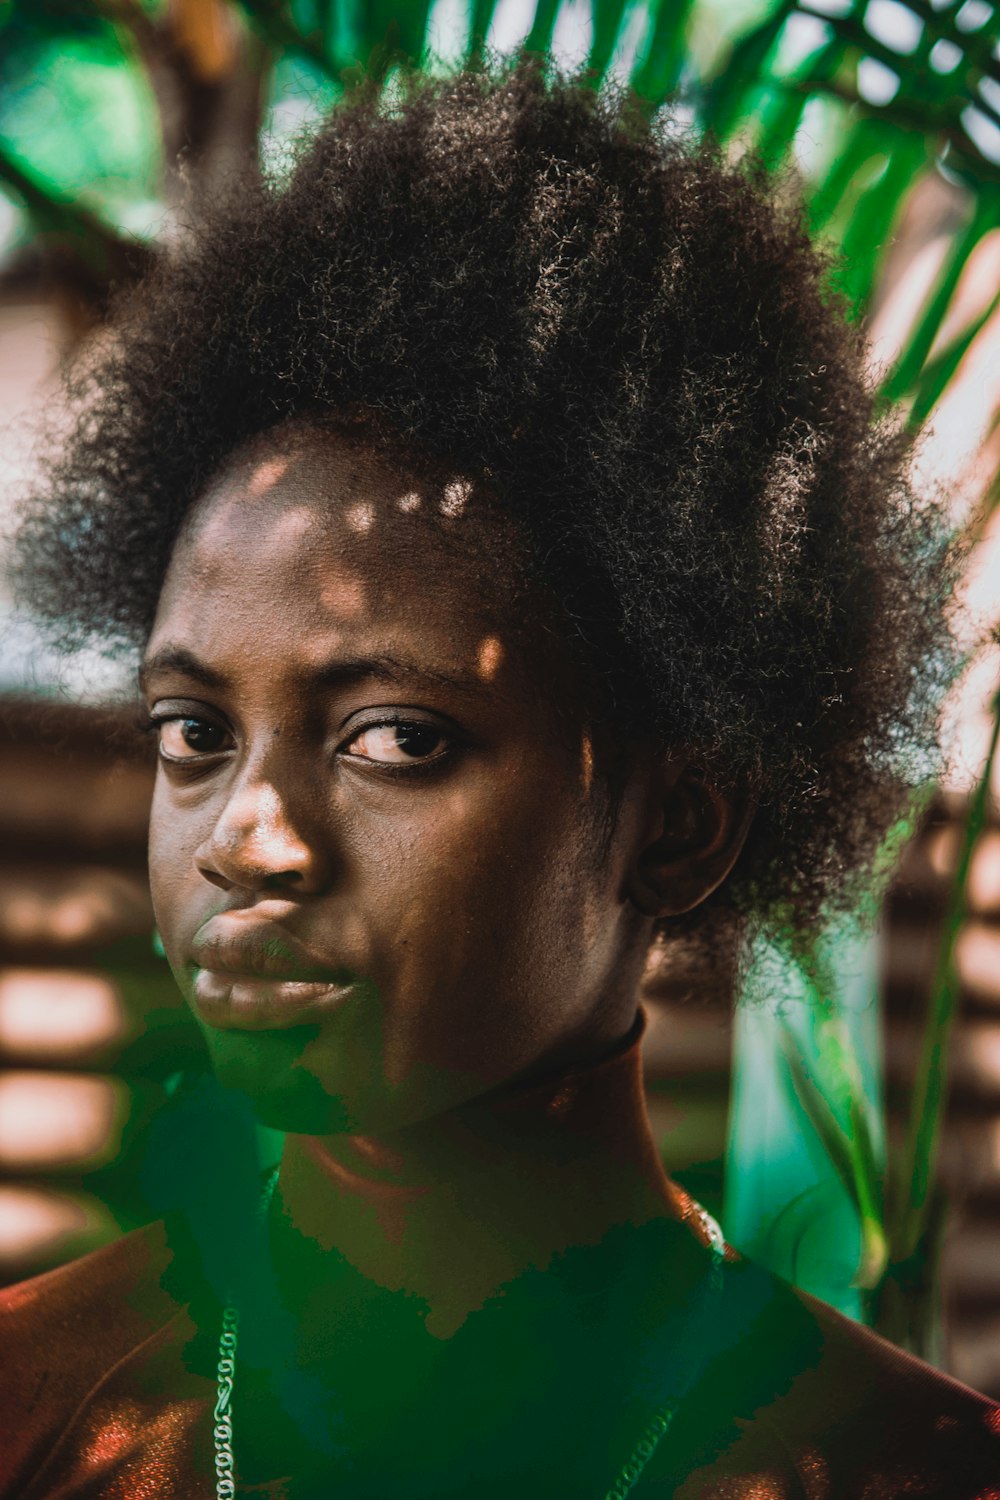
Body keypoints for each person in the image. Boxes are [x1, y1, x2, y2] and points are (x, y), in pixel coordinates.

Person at [3, 62, 998, 1500]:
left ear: (681, 825)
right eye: (193, 733)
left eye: (397, 738)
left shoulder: (905, 1474)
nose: (248, 840)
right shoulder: (38, 1408)